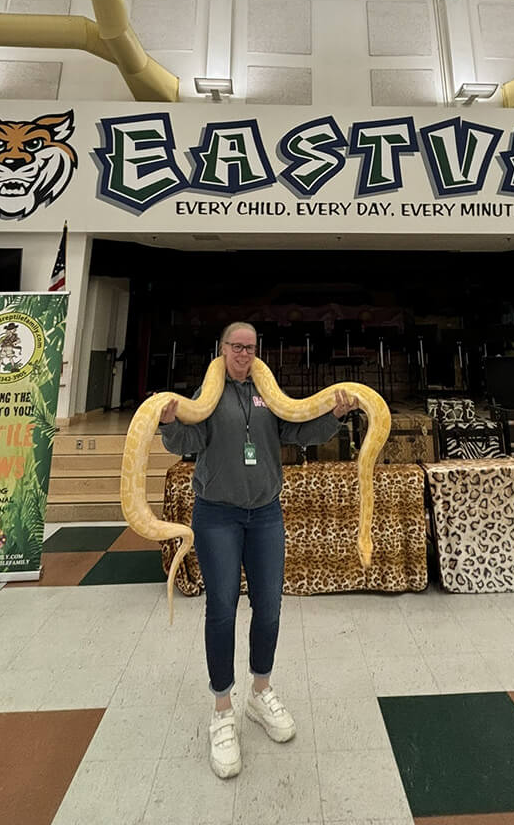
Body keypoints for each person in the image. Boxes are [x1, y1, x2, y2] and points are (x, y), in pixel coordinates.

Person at [159, 321, 357, 779]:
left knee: (269, 606)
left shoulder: (269, 392)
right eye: (236, 346)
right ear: (222, 348)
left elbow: (299, 433)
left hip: (266, 513)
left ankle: (260, 692)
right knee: (222, 608)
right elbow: (190, 441)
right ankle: (222, 709)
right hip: (217, 515)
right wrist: (169, 425)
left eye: (250, 348)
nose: (244, 354)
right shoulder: (208, 394)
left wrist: (335, 415)